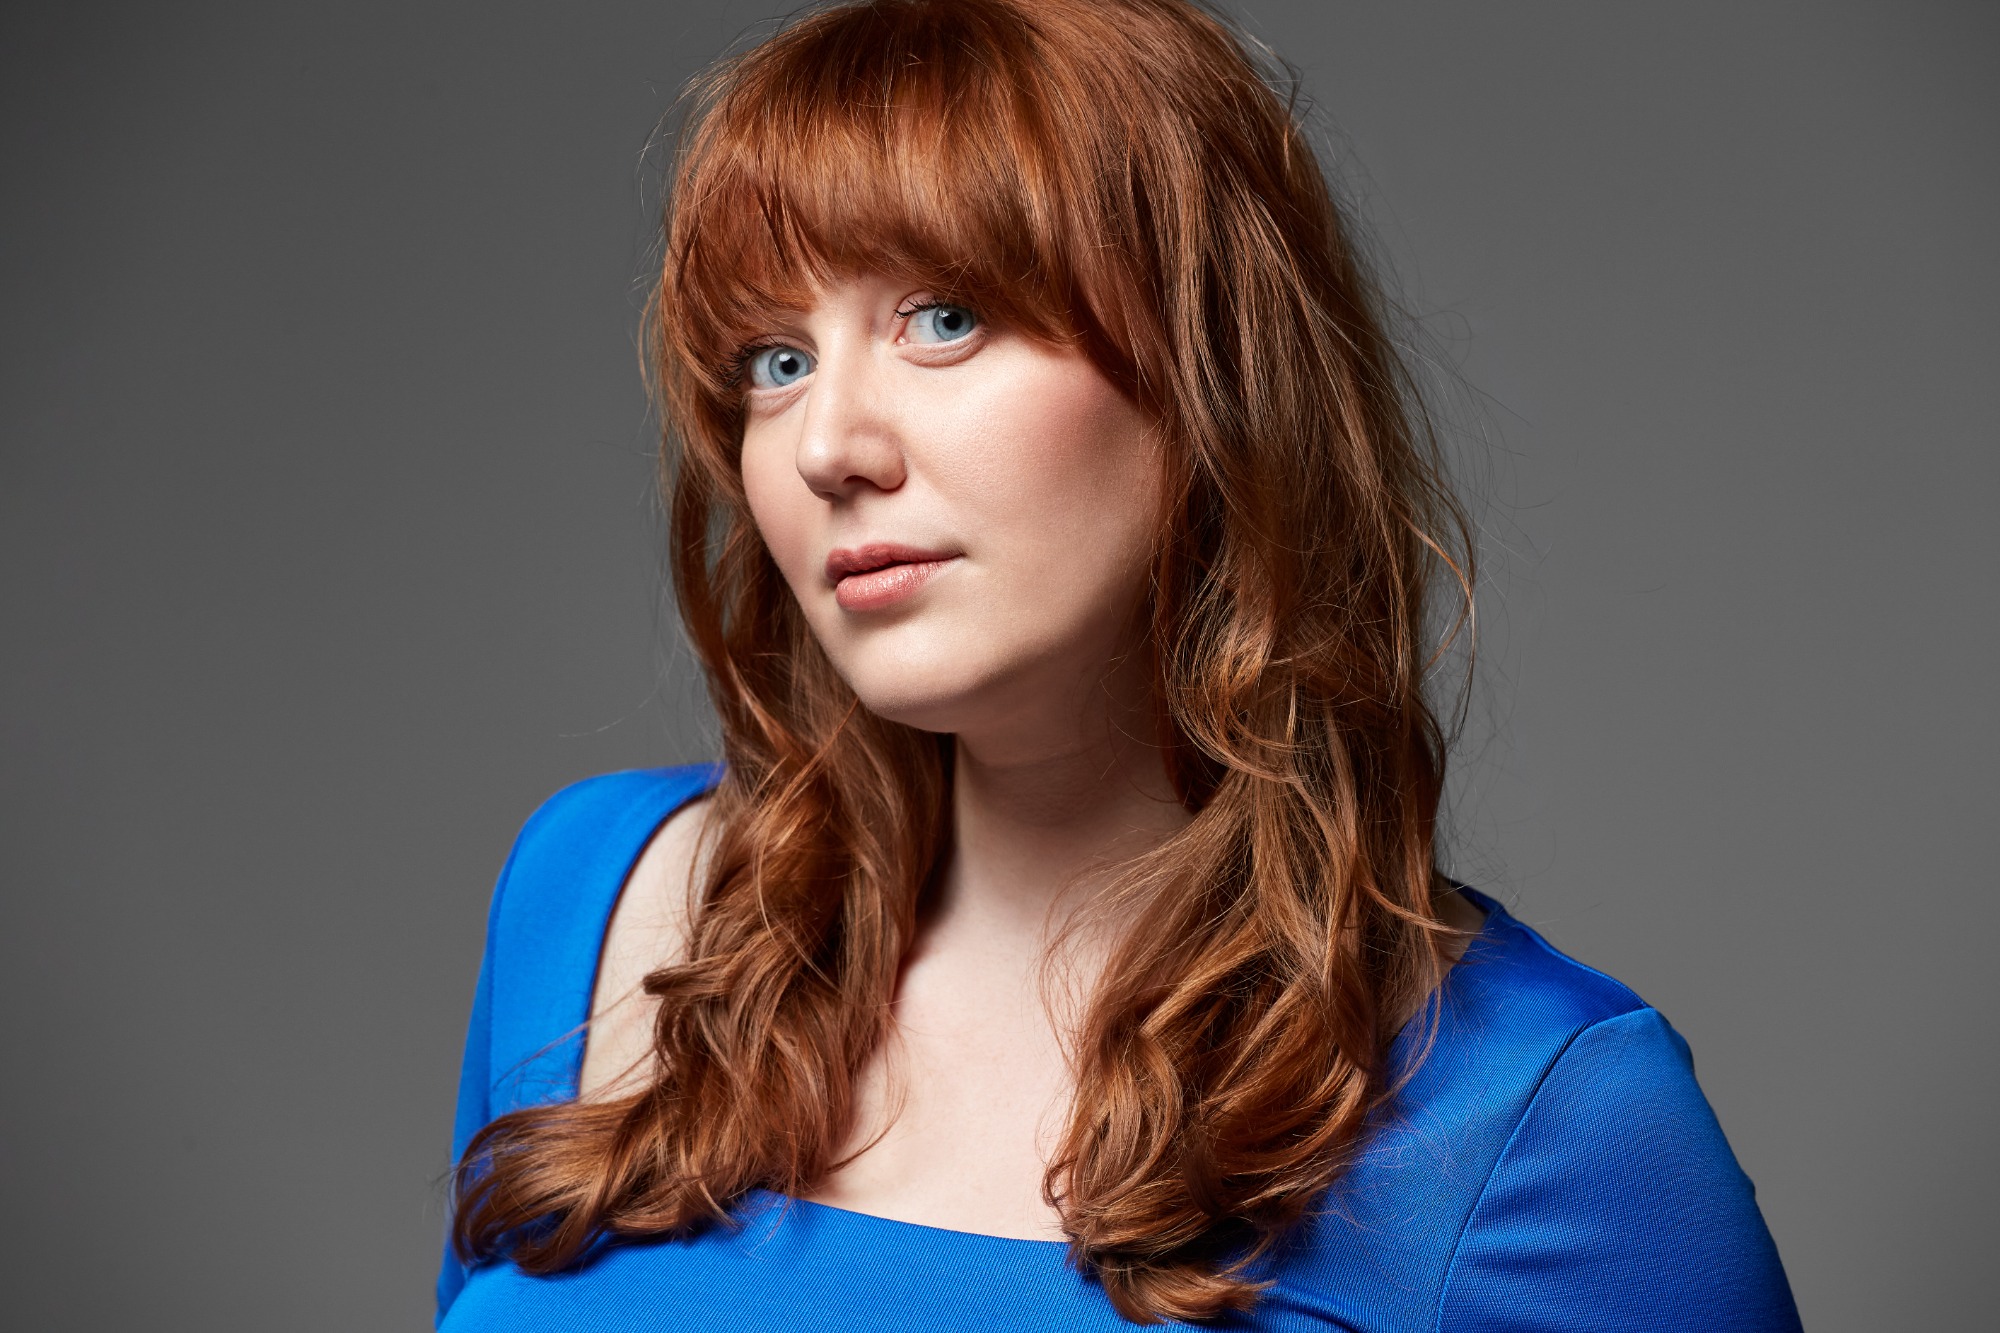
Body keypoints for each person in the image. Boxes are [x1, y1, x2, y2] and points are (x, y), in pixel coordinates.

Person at [436, 0, 1802, 1327]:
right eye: (776, 360)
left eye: (944, 318)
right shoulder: (598, 897)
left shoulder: (1543, 1125)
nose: (827, 446)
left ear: (1209, 370)